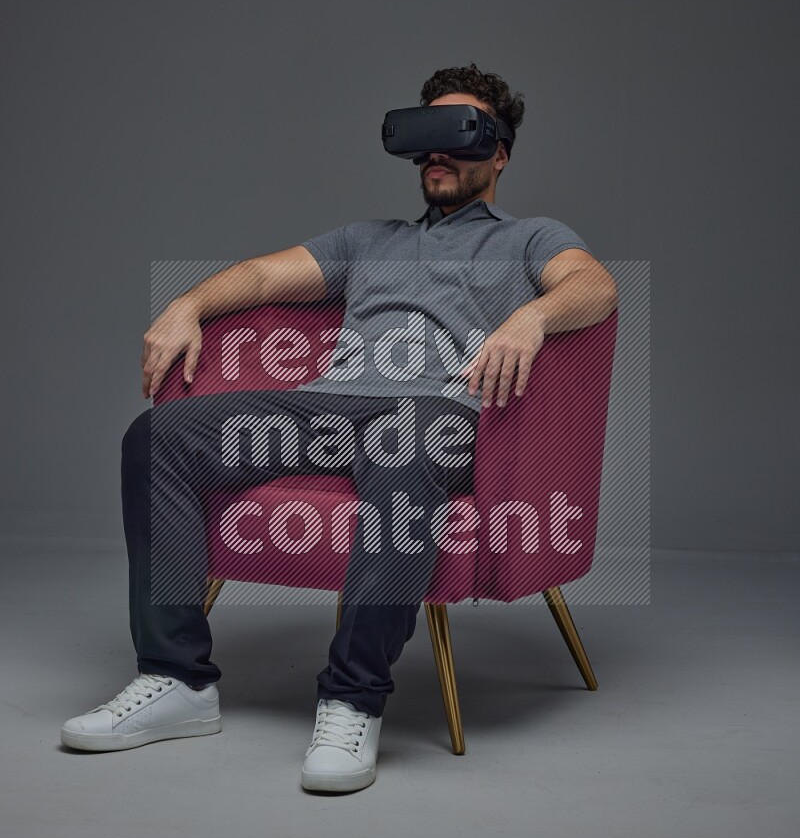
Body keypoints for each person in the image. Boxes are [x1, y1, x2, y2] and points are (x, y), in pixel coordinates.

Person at [60, 62, 618, 793]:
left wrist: (532, 315)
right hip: (328, 410)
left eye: (460, 134)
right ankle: (176, 680)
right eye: (428, 136)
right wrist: (187, 305)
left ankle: (352, 697)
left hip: (434, 414)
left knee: (404, 437)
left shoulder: (532, 238)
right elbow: (261, 278)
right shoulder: (367, 239)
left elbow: (596, 285)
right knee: (157, 435)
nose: (439, 153)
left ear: (500, 152)